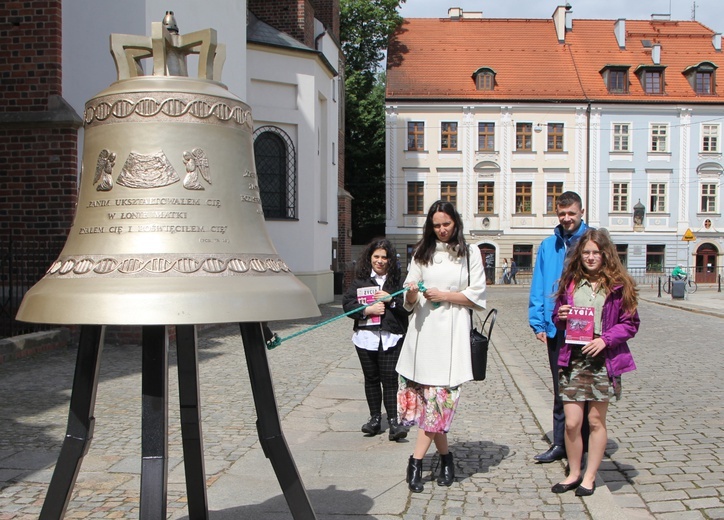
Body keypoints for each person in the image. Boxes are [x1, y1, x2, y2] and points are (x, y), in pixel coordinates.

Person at [396, 201, 486, 493]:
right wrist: (411, 293)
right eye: (436, 225)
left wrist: (445, 295)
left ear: (455, 222)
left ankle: (416, 462)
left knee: (439, 405)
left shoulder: (470, 252)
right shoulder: (422, 252)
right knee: (430, 408)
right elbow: (409, 299)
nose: (442, 229)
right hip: (423, 338)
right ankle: (446, 459)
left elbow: (477, 296)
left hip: (452, 336)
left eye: (446, 223)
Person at [550, 228, 639, 496]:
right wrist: (562, 315)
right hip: (573, 357)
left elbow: (630, 324)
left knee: (596, 421)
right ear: (580, 255)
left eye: (595, 253)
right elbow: (557, 318)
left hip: (603, 359)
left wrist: (606, 339)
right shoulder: (571, 282)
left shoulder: (618, 285)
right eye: (586, 252)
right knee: (572, 422)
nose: (590, 257)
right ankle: (574, 472)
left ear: (605, 255)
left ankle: (589, 476)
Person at [528, 191, 589, 463]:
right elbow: (538, 285)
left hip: (588, 328)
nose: (566, 219)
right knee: (561, 386)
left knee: (587, 387)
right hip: (557, 328)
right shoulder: (548, 245)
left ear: (581, 211)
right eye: (562, 214)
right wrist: (538, 322)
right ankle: (560, 444)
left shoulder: (593, 241)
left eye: (571, 214)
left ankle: (584, 444)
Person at [342, 238, 410, 441]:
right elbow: (347, 304)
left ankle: (393, 422)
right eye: (376, 257)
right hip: (366, 338)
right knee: (371, 379)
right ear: (370, 258)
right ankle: (374, 419)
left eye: (384, 257)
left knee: (389, 380)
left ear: (390, 260)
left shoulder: (397, 282)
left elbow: (407, 308)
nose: (380, 261)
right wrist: (367, 310)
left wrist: (391, 300)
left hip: (390, 337)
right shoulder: (360, 281)